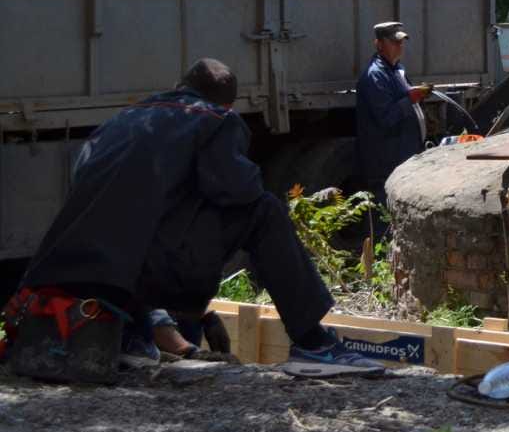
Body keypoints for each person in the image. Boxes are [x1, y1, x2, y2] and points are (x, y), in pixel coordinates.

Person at [2, 59, 379, 382]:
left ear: (179, 86)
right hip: (143, 272)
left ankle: (133, 337)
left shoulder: (120, 121)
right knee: (264, 211)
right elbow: (239, 191)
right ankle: (313, 343)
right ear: (226, 103)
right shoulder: (214, 120)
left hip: (72, 275)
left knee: (138, 216)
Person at [356, 20, 431, 198]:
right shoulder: (375, 75)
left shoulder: (397, 69)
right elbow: (386, 118)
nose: (399, 46)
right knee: (385, 215)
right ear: (379, 44)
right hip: (386, 163)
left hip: (402, 157)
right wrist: (410, 99)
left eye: (401, 42)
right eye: (394, 42)